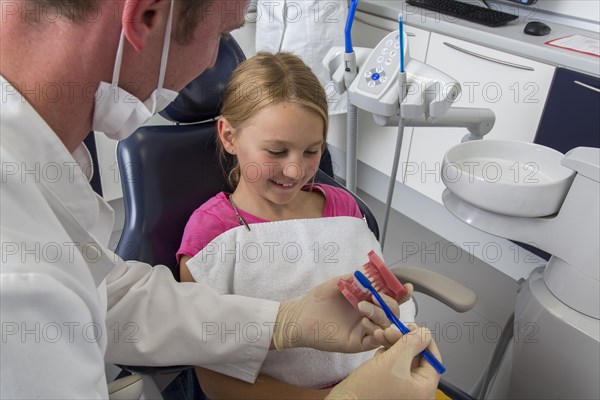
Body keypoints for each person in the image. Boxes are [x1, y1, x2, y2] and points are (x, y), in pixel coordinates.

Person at [0, 0, 441, 398]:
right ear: (147, 16)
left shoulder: (35, 178)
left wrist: (285, 321)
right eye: (221, 33)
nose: (216, 61)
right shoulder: (21, 281)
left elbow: (110, 298)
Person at [177, 51, 417, 399]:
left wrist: (391, 322)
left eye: (311, 151)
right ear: (229, 136)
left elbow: (374, 305)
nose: (294, 171)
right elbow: (217, 381)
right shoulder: (212, 236)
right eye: (276, 152)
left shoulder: (344, 208)